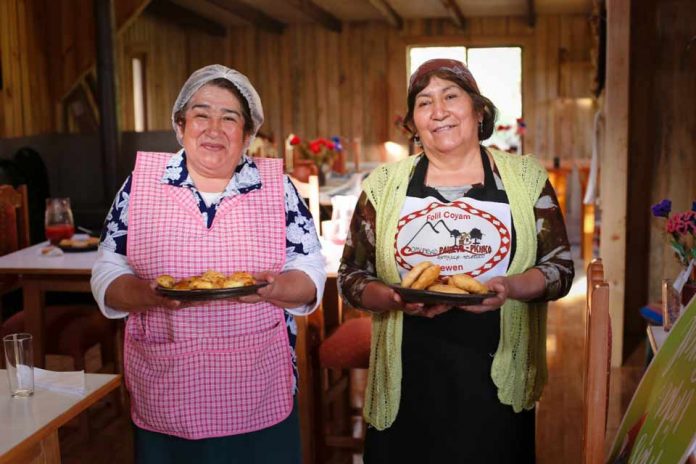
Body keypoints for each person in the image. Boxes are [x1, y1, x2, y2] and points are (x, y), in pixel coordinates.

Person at [338, 58, 574, 463]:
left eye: (451, 96)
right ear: (413, 122)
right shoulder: (384, 185)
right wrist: (394, 298)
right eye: (424, 103)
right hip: (407, 379)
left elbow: (560, 268)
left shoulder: (525, 179)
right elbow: (351, 276)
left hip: (494, 377)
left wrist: (510, 287)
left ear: (478, 111)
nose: (439, 111)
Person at [91, 64, 326, 463]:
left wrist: (276, 288)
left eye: (229, 118)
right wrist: (146, 296)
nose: (214, 128)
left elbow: (310, 268)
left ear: (247, 135)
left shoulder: (276, 188)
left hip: (257, 384)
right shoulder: (142, 185)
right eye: (201, 114)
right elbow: (108, 269)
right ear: (180, 127)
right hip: (168, 384)